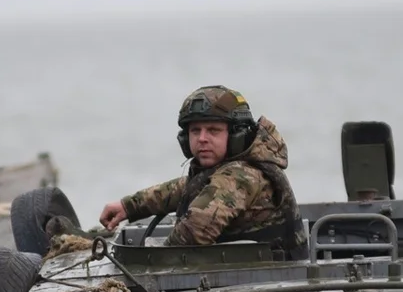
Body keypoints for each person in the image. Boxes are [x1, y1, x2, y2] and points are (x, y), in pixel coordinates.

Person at [100, 85, 307, 258]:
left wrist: (148, 264)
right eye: (195, 131)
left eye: (213, 130)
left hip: (265, 282)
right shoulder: (228, 167)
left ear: (237, 135)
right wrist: (129, 206)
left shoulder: (240, 176)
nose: (202, 139)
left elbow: (192, 234)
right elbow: (185, 187)